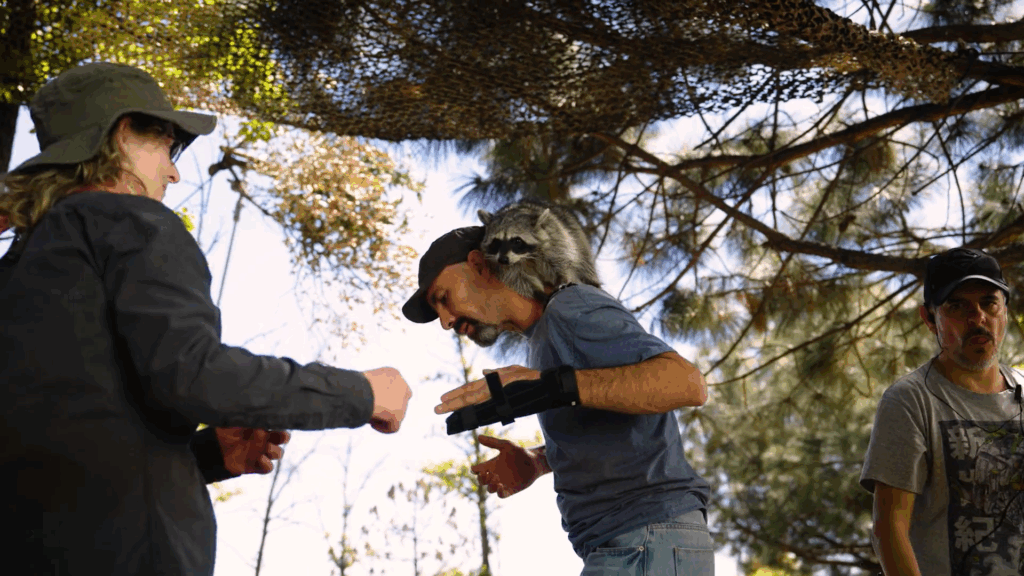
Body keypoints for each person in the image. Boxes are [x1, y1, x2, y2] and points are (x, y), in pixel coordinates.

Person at [0, 62, 412, 575]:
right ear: (124, 135)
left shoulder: (18, 272)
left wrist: (208, 454)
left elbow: (67, 457)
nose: (174, 172)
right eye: (168, 147)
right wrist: (361, 392)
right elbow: (192, 374)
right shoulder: (131, 220)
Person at [402, 226, 714, 575]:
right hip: (634, 542)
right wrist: (537, 462)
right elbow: (609, 422)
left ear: (478, 265)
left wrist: (551, 386)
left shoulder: (571, 305)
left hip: (645, 536)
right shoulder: (543, 338)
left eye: (443, 298)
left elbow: (686, 383)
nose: (445, 321)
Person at [860, 247, 1024, 576]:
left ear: (1005, 310)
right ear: (930, 319)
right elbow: (889, 528)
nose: (977, 318)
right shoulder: (910, 400)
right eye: (957, 305)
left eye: (989, 303)